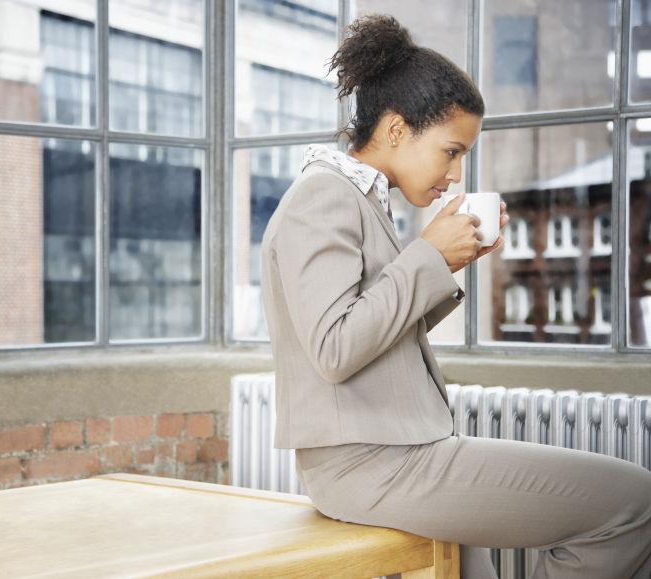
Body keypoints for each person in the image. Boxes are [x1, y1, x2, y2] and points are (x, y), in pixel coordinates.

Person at [258, 13, 651, 579]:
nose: (456, 173)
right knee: (632, 502)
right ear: (397, 129)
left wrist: (447, 262)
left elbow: (375, 329)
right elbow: (335, 348)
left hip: (394, 451)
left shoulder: (361, 200)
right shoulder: (324, 197)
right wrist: (428, 255)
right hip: (373, 461)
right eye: (451, 151)